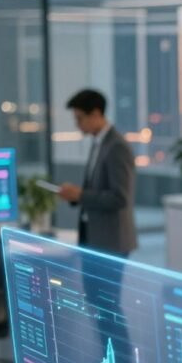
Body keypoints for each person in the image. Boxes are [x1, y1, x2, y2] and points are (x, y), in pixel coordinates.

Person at [58, 89, 137, 257]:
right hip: (94, 235)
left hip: (111, 241)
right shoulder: (98, 142)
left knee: (103, 285)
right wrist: (75, 195)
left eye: (80, 118)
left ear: (95, 114)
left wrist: (80, 195)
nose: (77, 124)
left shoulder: (117, 146)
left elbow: (120, 197)